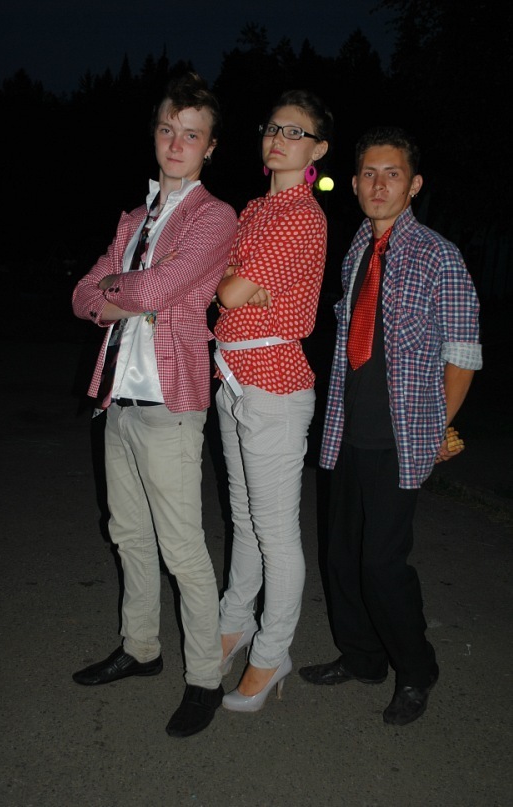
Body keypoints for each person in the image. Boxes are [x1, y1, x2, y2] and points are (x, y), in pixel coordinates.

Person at [71, 72, 237, 738]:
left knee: (182, 549)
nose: (176, 142)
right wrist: (121, 291)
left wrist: (119, 291)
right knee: (127, 533)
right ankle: (140, 648)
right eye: (168, 129)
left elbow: (160, 289)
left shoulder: (214, 217)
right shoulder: (134, 220)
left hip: (171, 402)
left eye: (191, 134)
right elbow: (82, 296)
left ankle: (205, 679)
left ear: (210, 147)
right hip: (119, 398)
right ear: (156, 134)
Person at [299, 126, 482, 726]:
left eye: (393, 174)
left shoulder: (439, 256)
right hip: (346, 432)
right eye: (369, 174)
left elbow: (462, 354)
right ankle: (362, 657)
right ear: (354, 183)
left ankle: (416, 669)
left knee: (381, 563)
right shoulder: (357, 248)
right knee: (340, 557)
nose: (379, 185)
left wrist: (437, 429)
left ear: (414, 184)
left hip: (400, 440)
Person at [213, 89, 333, 712]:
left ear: (317, 150)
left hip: (275, 385)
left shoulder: (302, 216)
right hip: (234, 378)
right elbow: (217, 279)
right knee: (243, 517)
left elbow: (228, 293)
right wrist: (234, 283)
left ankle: (272, 651)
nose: (279, 138)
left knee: (276, 532)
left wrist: (238, 285)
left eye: (295, 131)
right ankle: (234, 624)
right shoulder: (255, 208)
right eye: (272, 128)